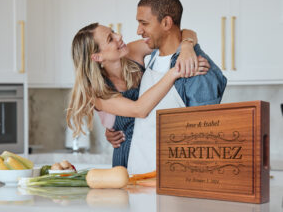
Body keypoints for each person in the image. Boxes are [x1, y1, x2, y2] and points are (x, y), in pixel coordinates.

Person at [105, 0, 227, 174]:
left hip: (172, 183)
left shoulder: (197, 68)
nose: (138, 30)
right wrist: (115, 128)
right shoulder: (152, 56)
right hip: (138, 176)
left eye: (144, 23)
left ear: (166, 22)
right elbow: (144, 113)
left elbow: (205, 140)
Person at [66, 23, 209, 167]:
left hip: (160, 146)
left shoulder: (132, 51)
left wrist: (186, 47)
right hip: (128, 157)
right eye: (110, 38)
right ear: (97, 57)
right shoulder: (96, 92)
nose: (119, 36)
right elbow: (139, 110)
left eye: (114, 32)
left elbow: (177, 35)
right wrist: (175, 72)